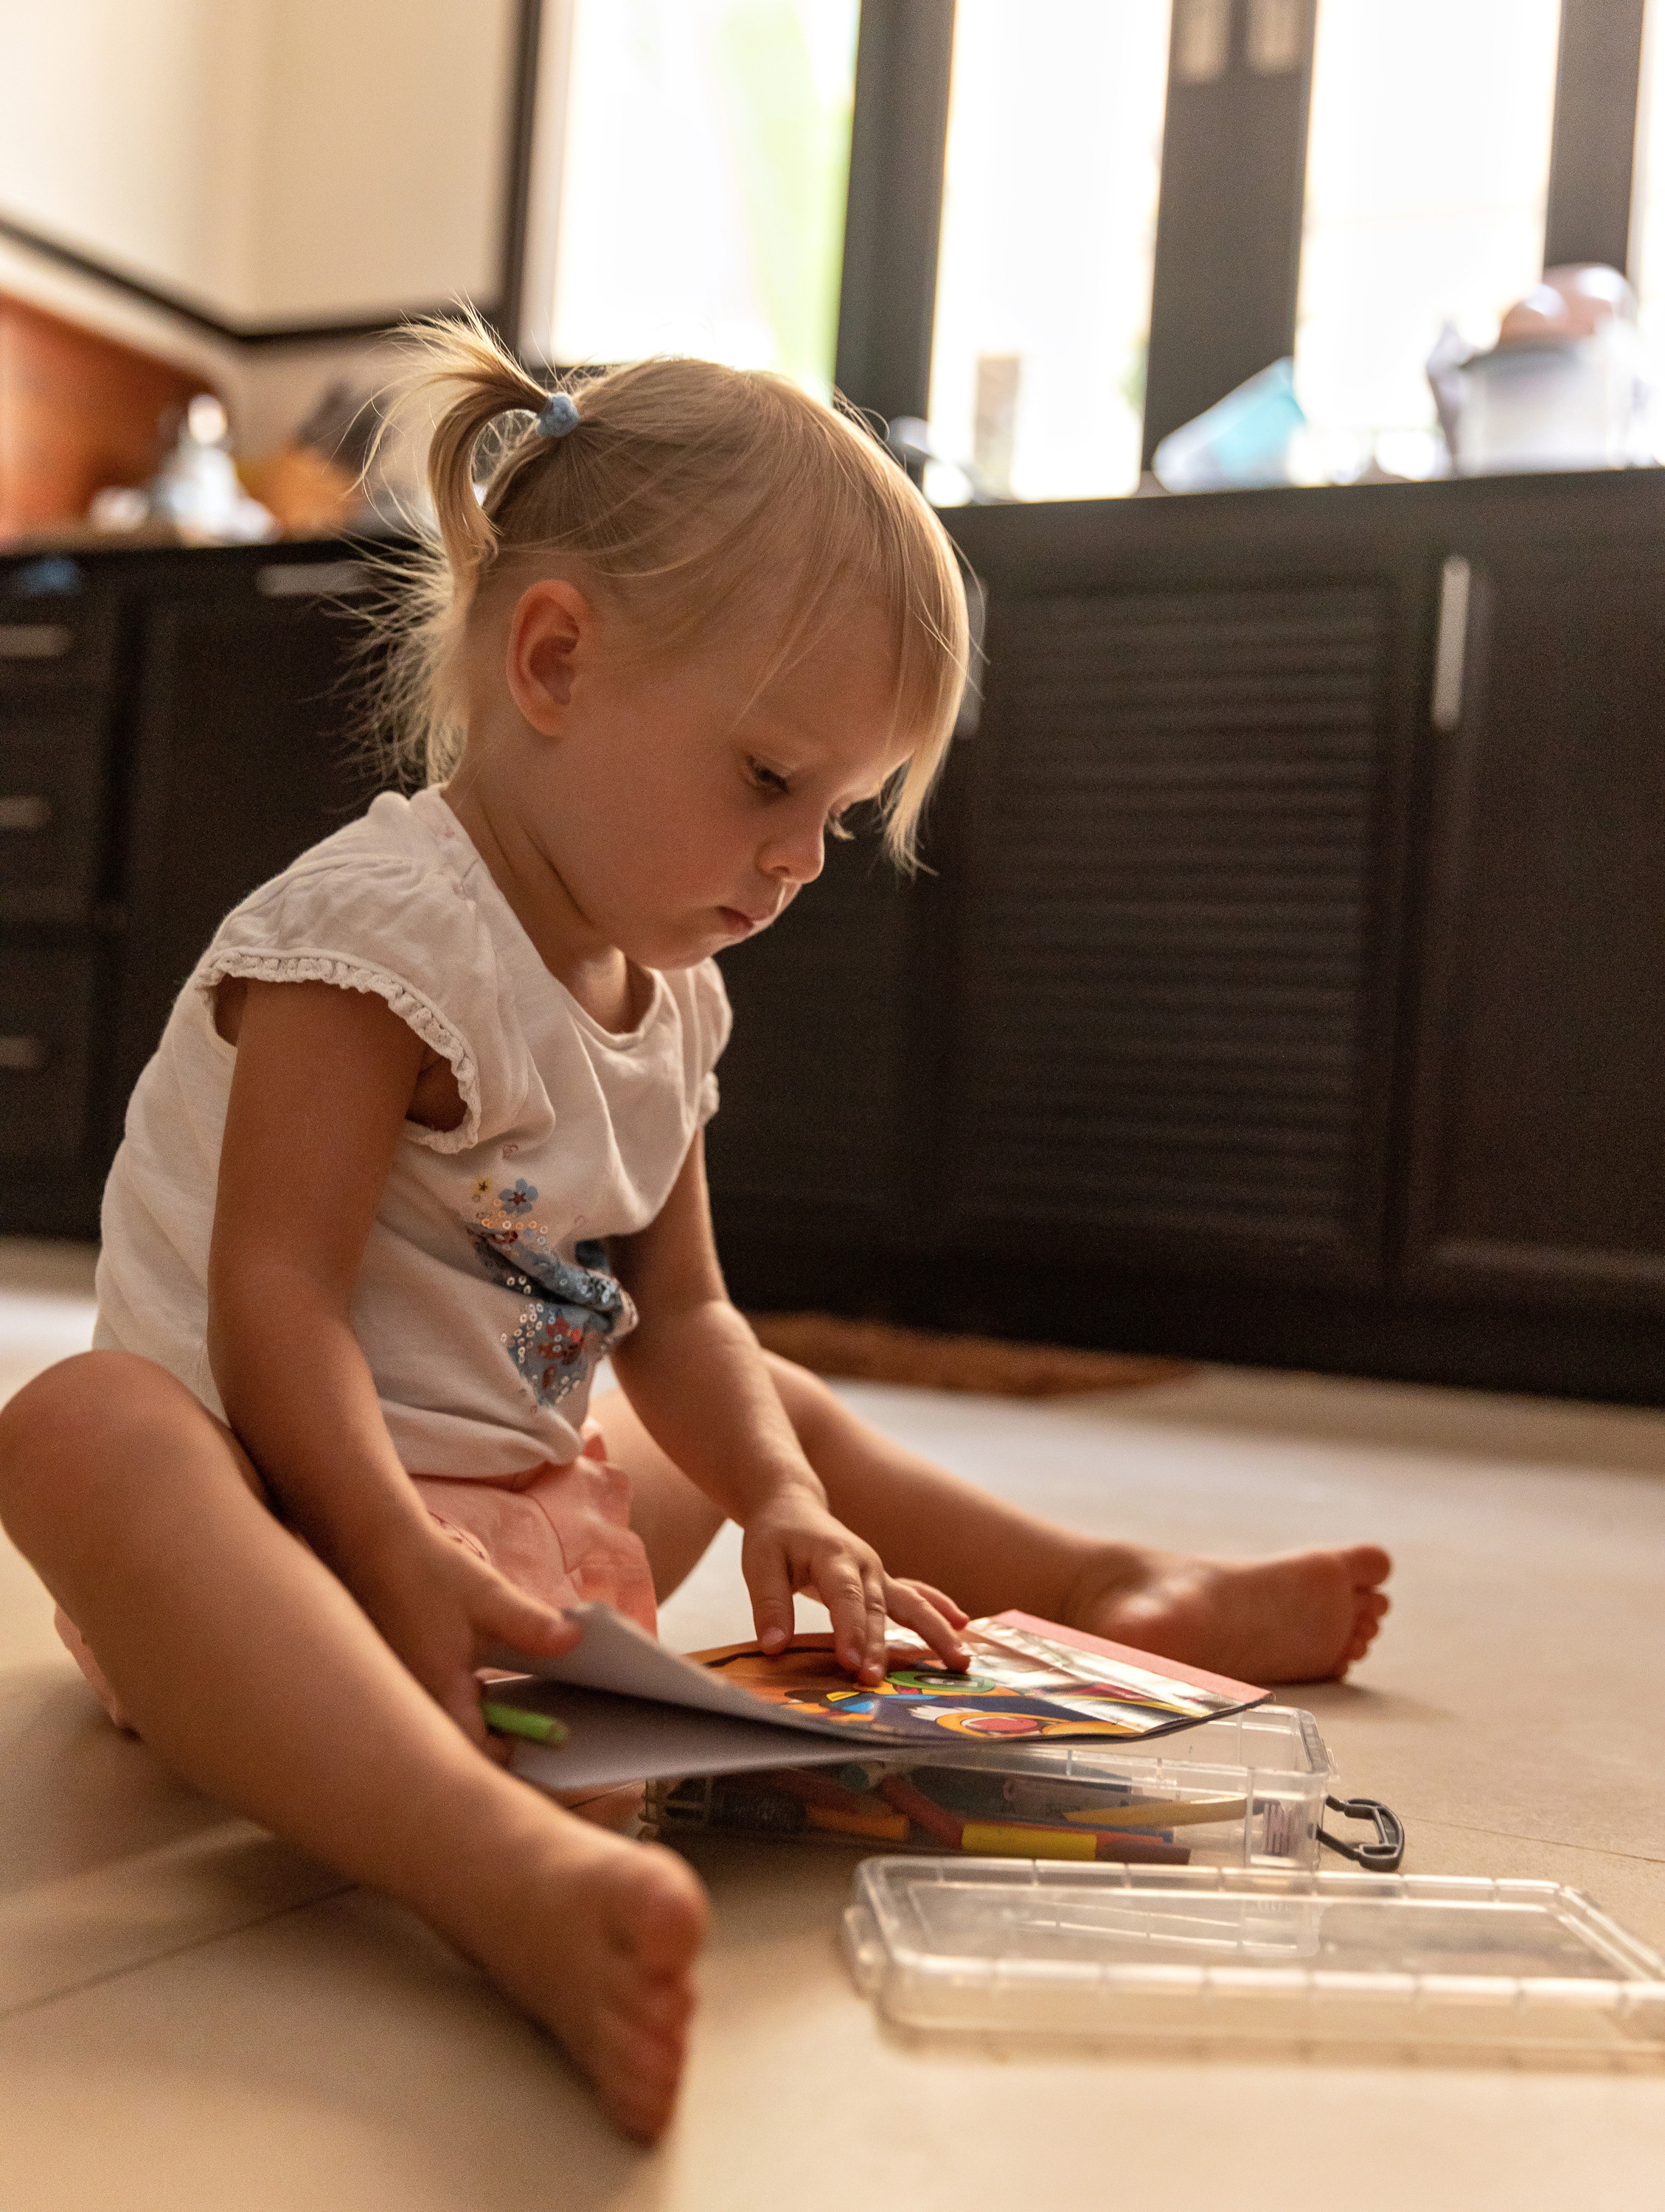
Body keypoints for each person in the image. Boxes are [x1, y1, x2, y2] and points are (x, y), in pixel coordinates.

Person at [0, 318, 1390, 2143]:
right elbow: (270, 1298)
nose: (800, 859)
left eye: (839, 814)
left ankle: (1098, 1583)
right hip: (276, 1535)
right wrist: (387, 1549)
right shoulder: (372, 937)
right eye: (766, 783)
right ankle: (483, 1867)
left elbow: (688, 1319)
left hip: (505, 1524)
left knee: (769, 1406)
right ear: (554, 658)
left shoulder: (670, 1004)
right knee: (79, 1428)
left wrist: (783, 1507)